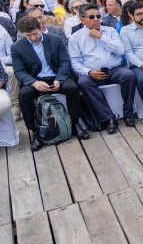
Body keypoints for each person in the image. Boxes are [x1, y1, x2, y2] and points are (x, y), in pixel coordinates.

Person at [11, 16, 88, 150]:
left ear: (40, 28)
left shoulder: (55, 40)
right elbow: (19, 71)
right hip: (35, 79)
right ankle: (35, 131)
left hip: (56, 75)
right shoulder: (17, 47)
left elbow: (65, 61)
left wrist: (59, 78)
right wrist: (34, 82)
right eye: (29, 36)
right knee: (24, 95)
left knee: (72, 88)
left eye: (35, 34)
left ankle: (75, 123)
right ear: (23, 34)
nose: (33, 38)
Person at [68, 3, 136, 133]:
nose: (96, 19)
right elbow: (75, 62)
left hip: (115, 69)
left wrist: (101, 37)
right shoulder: (75, 38)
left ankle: (128, 113)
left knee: (129, 75)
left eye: (98, 16)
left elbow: (121, 50)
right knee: (83, 82)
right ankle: (108, 118)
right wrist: (89, 71)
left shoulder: (109, 31)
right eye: (91, 17)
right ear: (82, 19)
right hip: (92, 73)